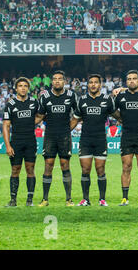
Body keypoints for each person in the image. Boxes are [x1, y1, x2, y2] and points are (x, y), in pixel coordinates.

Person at [70, 74, 116, 207]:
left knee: (100, 169)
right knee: (85, 169)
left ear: (100, 85)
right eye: (91, 82)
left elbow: (117, 115)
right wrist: (63, 132)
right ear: (88, 85)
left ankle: (102, 199)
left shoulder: (107, 99)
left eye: (96, 82)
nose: (93, 84)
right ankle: (85, 199)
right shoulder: (82, 100)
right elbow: (74, 120)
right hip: (85, 140)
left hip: (100, 139)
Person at [36, 70, 78, 207]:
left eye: (60, 79)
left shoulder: (71, 96)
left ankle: (68, 199)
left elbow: (78, 115)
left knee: (65, 165)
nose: (57, 81)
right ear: (52, 81)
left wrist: (68, 129)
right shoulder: (45, 97)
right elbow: (40, 116)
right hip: (50, 136)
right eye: (55, 79)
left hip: (65, 137)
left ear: (64, 82)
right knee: (48, 165)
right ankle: (45, 199)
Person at [112, 70, 138, 207]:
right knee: (126, 167)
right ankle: (124, 198)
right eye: (129, 79)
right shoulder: (121, 95)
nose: (132, 81)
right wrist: (120, 118)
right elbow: (112, 110)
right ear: (126, 81)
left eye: (134, 78)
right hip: (127, 135)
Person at [2, 77, 40, 207]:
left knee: (30, 169)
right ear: (16, 88)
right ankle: (13, 200)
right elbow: (6, 126)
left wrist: (31, 123)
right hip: (16, 142)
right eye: (20, 86)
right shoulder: (10, 105)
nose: (23, 88)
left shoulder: (34, 102)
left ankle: (30, 200)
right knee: (15, 170)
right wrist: (8, 145)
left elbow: (41, 115)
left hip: (30, 141)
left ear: (28, 88)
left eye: (25, 86)